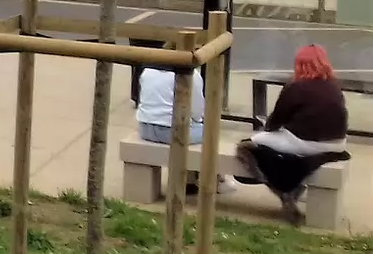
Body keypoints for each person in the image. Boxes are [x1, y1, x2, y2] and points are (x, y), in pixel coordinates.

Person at [233, 44, 350, 225]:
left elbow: (275, 122)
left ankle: (284, 191)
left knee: (246, 145)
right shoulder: (334, 86)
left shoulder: (296, 87)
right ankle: (292, 189)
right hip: (337, 143)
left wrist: (268, 129)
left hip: (306, 142)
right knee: (277, 140)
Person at [135, 64, 228, 194]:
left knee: (191, 127)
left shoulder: (148, 71)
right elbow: (196, 111)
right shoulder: (191, 74)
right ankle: (215, 179)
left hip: (145, 128)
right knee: (210, 131)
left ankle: (190, 179)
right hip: (171, 130)